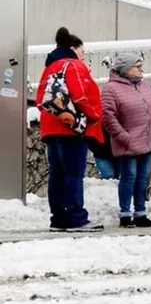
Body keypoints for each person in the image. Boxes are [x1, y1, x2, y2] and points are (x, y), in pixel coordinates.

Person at [36, 27, 104, 231]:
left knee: (57, 173)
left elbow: (41, 99)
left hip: (50, 126)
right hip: (70, 127)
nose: (83, 57)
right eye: (82, 53)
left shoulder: (50, 67)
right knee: (74, 173)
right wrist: (95, 115)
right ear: (73, 49)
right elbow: (82, 95)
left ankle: (58, 218)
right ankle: (76, 218)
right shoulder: (74, 65)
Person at [101, 54, 151, 228]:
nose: (141, 70)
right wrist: (124, 137)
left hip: (148, 141)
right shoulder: (111, 89)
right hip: (128, 142)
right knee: (129, 177)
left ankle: (140, 213)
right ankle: (125, 214)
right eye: (137, 67)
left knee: (143, 179)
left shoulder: (145, 86)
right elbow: (108, 117)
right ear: (126, 69)